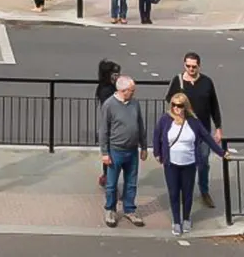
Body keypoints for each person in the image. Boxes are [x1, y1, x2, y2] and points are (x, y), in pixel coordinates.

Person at [153, 93, 229, 236]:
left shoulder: (193, 121)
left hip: (189, 163)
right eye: (174, 105)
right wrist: (157, 153)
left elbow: (207, 137)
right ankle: (176, 221)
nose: (176, 108)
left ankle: (186, 218)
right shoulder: (165, 119)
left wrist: (221, 153)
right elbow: (157, 135)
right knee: (174, 193)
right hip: (171, 163)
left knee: (187, 193)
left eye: (180, 105)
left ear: (185, 106)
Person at [166, 52, 224, 209]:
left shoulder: (207, 82)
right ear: (184, 65)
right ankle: (183, 191)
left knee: (203, 162)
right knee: (184, 162)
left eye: (194, 66)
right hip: (184, 130)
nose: (191, 69)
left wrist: (218, 128)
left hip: (203, 130)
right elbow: (170, 102)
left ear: (199, 66)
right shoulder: (177, 81)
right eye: (188, 66)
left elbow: (214, 106)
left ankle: (204, 191)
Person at [99, 76, 148, 228]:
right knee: (112, 184)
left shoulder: (135, 103)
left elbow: (140, 124)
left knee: (131, 183)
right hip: (115, 150)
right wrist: (104, 153)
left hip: (132, 150)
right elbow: (104, 130)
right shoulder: (109, 105)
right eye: (131, 90)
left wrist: (144, 146)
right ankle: (110, 209)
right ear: (122, 91)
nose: (133, 93)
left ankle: (130, 209)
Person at [94, 59, 121, 187]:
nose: (118, 76)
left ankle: (108, 178)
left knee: (111, 156)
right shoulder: (107, 90)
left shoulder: (109, 87)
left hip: (113, 126)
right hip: (112, 126)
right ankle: (109, 181)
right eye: (115, 74)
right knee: (111, 155)